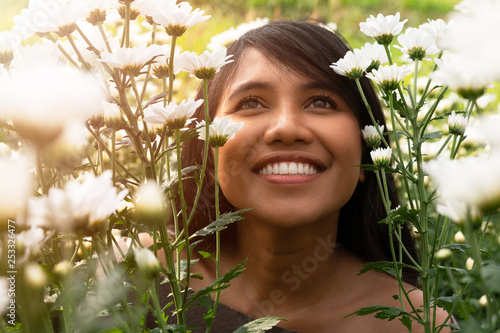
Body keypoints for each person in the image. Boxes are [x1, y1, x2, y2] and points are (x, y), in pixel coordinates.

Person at [157, 20, 452, 332]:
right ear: (207, 157)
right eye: (251, 103)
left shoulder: (418, 324)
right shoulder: (138, 270)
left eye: (321, 102)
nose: (286, 128)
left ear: (369, 152)